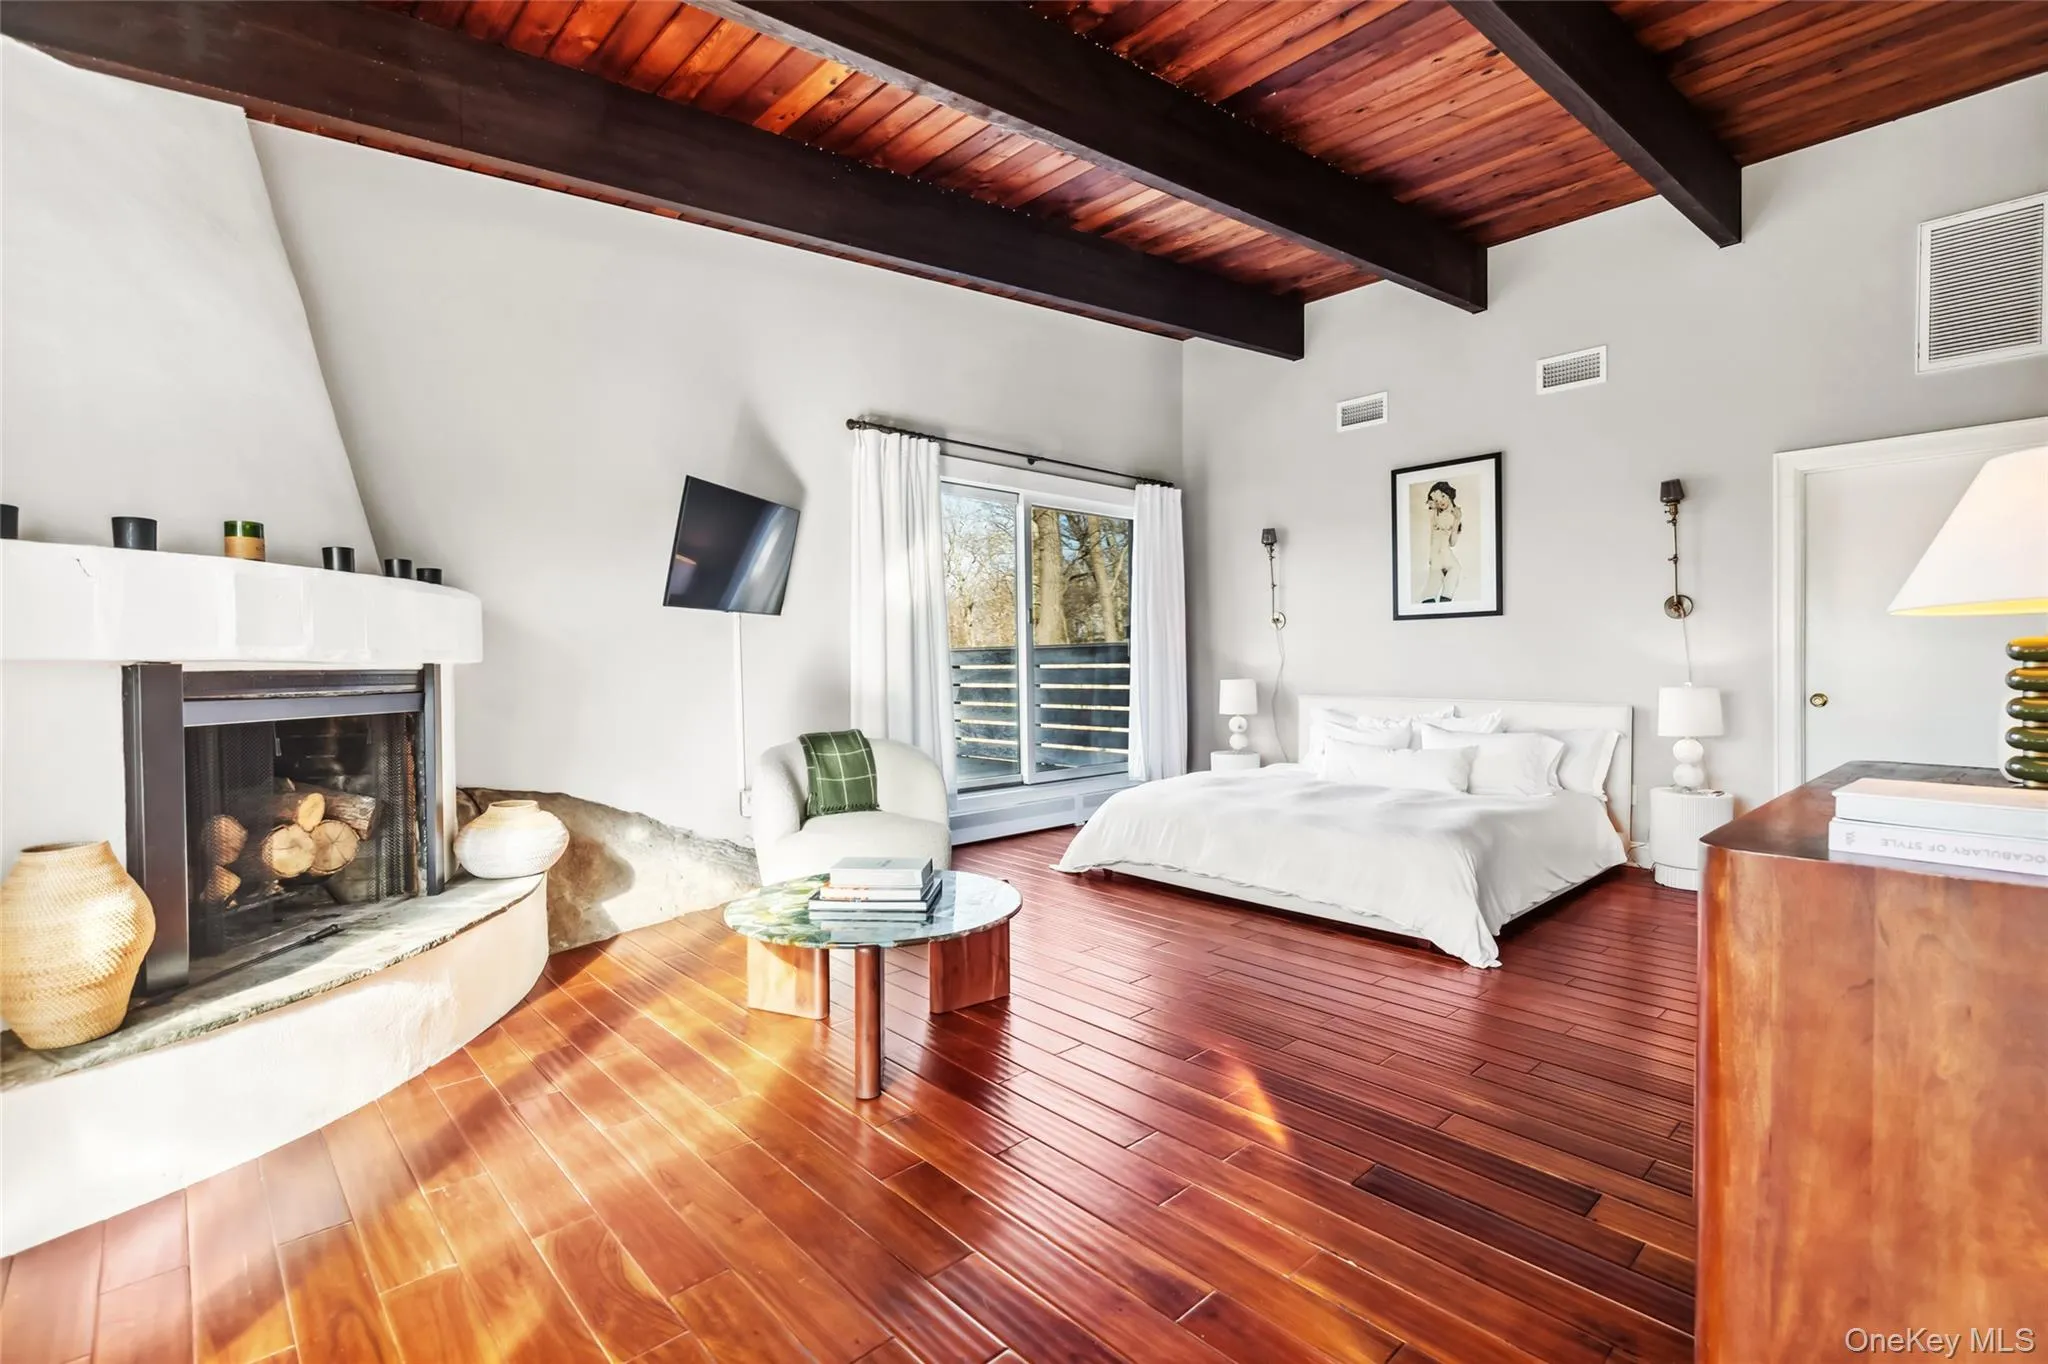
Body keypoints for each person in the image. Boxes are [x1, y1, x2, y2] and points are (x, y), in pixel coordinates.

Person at [1423, 480, 1462, 602]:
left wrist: (1457, 520)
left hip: (1445, 554)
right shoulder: (1435, 514)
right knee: (1430, 593)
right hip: (1437, 556)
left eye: (1443, 496)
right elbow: (1433, 535)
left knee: (1455, 569)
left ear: (1449, 495)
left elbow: (1452, 543)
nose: (1441, 501)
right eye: (1437, 500)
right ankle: (1442, 601)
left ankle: (1445, 600)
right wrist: (1431, 556)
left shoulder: (1455, 515)